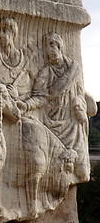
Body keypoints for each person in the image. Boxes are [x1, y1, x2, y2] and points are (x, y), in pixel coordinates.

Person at [17, 32, 89, 182]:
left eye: (52, 46)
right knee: (56, 174)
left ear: (60, 47)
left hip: (73, 126)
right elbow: (39, 97)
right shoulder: (45, 72)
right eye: (46, 48)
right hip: (52, 126)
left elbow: (81, 93)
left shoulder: (74, 68)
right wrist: (25, 105)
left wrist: (79, 104)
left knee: (82, 173)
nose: (50, 51)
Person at [0, 18, 32, 102]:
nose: (0, 35)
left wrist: (17, 98)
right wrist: (7, 94)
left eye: (4, 31)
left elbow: (37, 92)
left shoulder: (27, 60)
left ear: (13, 34)